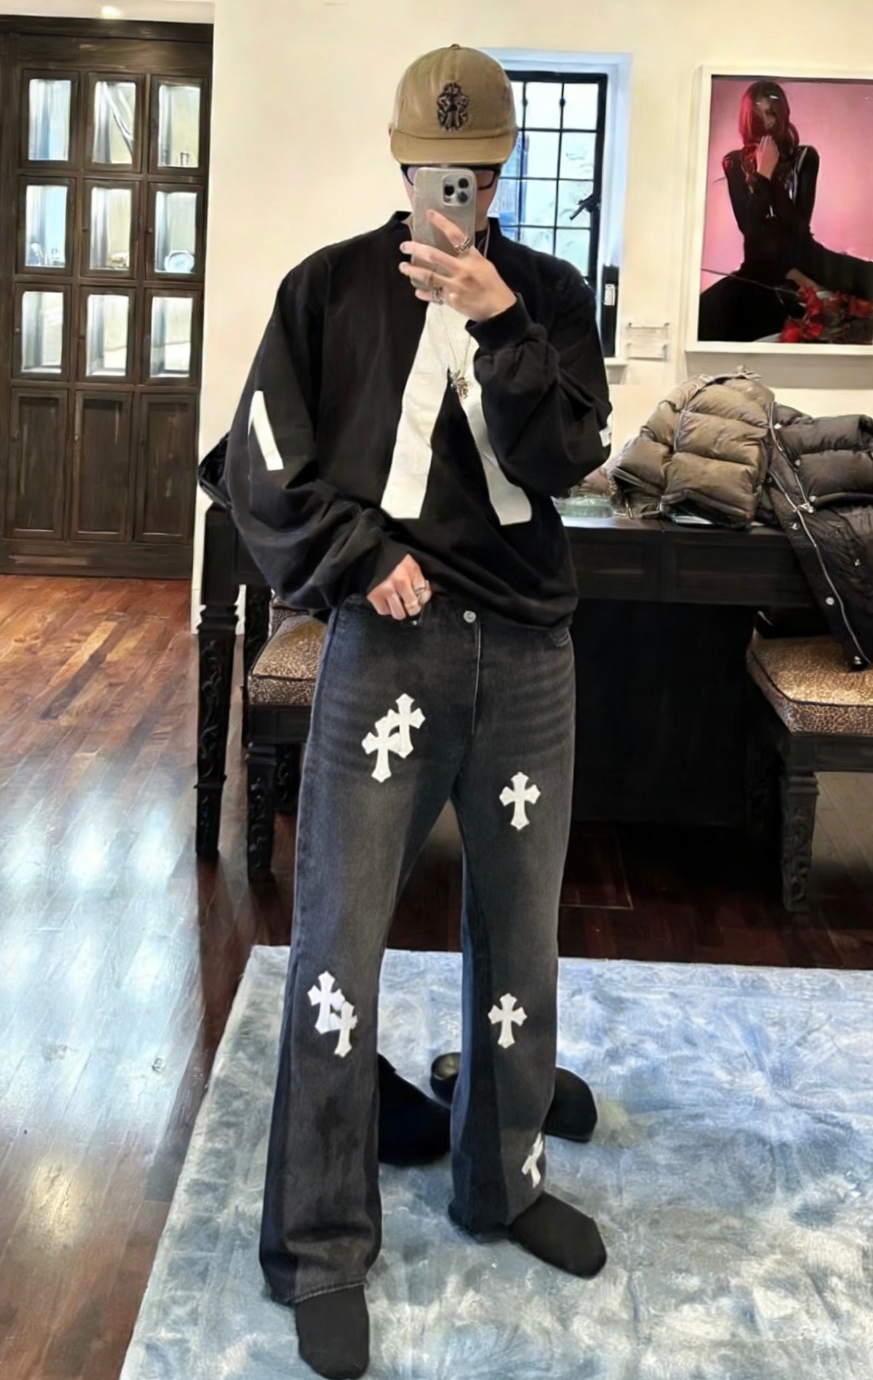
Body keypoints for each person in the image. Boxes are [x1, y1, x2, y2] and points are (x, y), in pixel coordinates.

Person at [225, 43, 611, 1380]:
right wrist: (354, 556)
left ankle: (500, 1178)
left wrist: (502, 321)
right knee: (336, 944)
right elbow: (259, 462)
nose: (462, 191)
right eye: (441, 168)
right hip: (384, 656)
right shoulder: (328, 289)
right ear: (402, 160)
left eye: (482, 170)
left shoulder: (550, 296)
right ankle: (320, 1242)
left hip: (528, 659)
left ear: (504, 169)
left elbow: (568, 453)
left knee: (521, 937)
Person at [697, 79, 873, 343]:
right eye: (759, 115)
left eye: (772, 113)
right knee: (704, 316)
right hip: (759, 267)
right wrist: (762, 174)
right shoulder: (734, 162)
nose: (766, 122)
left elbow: (798, 225)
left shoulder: (805, 157)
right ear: (748, 119)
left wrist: (771, 177)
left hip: (806, 256)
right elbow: (750, 227)